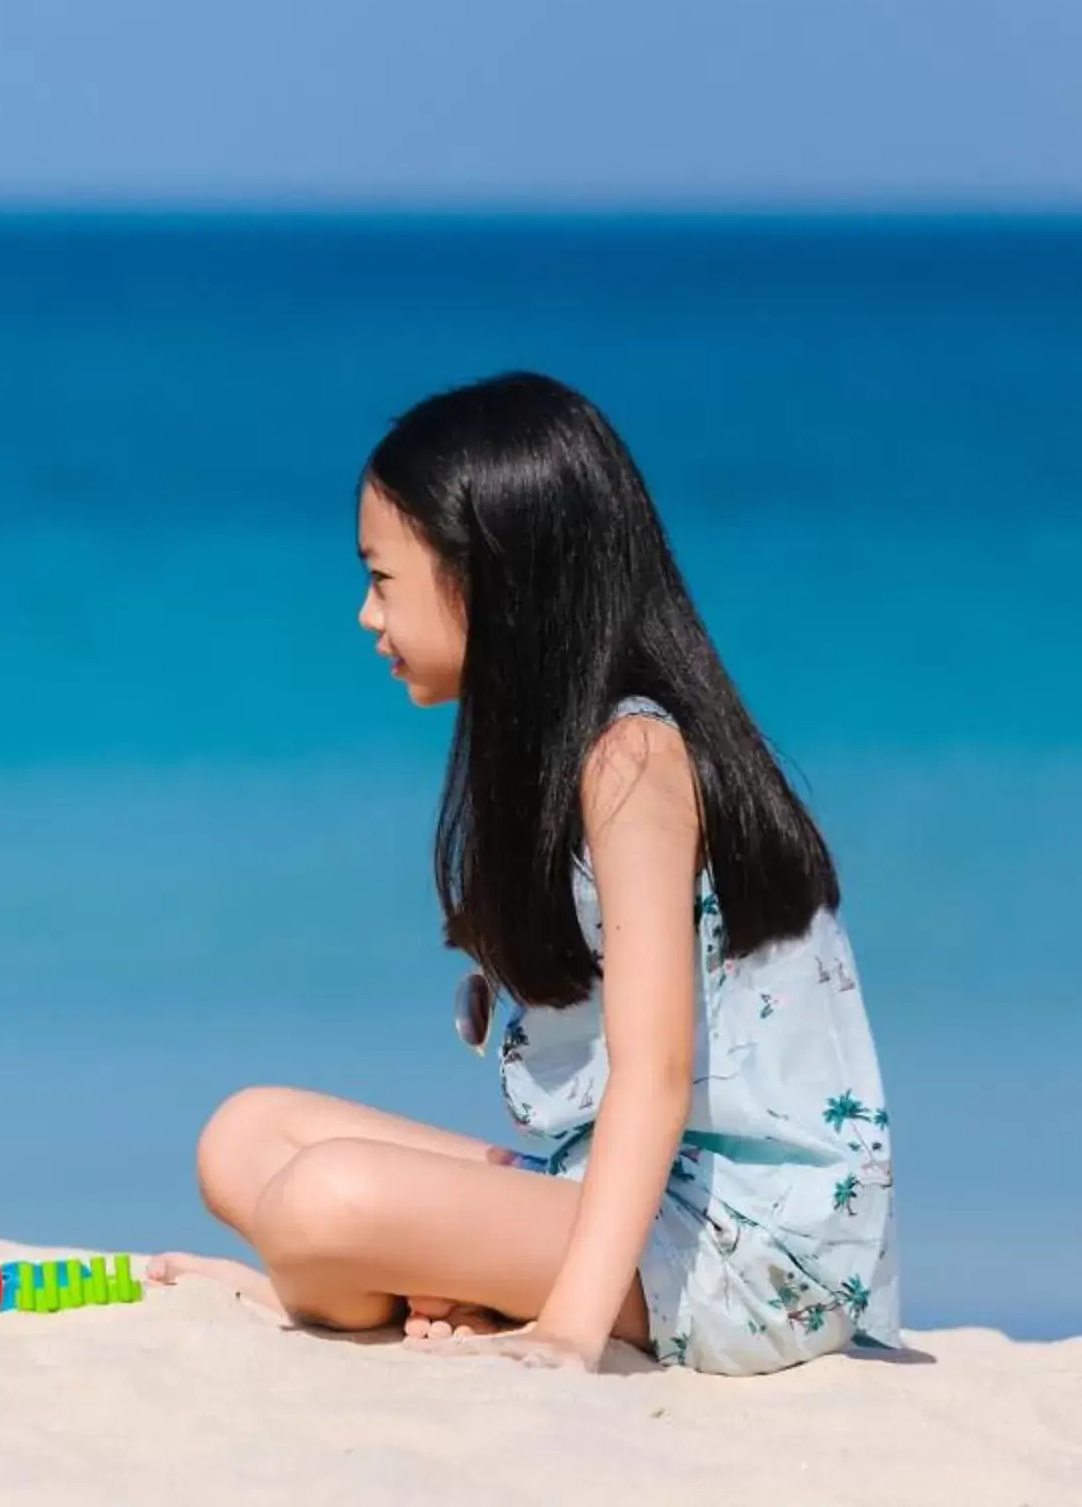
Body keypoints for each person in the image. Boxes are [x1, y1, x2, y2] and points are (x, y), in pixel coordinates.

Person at [157, 372, 897, 1373]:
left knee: (323, 1200)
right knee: (243, 1136)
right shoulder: (558, 751)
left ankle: (410, 1285)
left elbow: (657, 1072)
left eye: (383, 578)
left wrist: (565, 1331)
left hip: (744, 1244)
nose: (366, 616)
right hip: (615, 1183)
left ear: (489, 576)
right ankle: (420, 1278)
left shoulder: (634, 756)